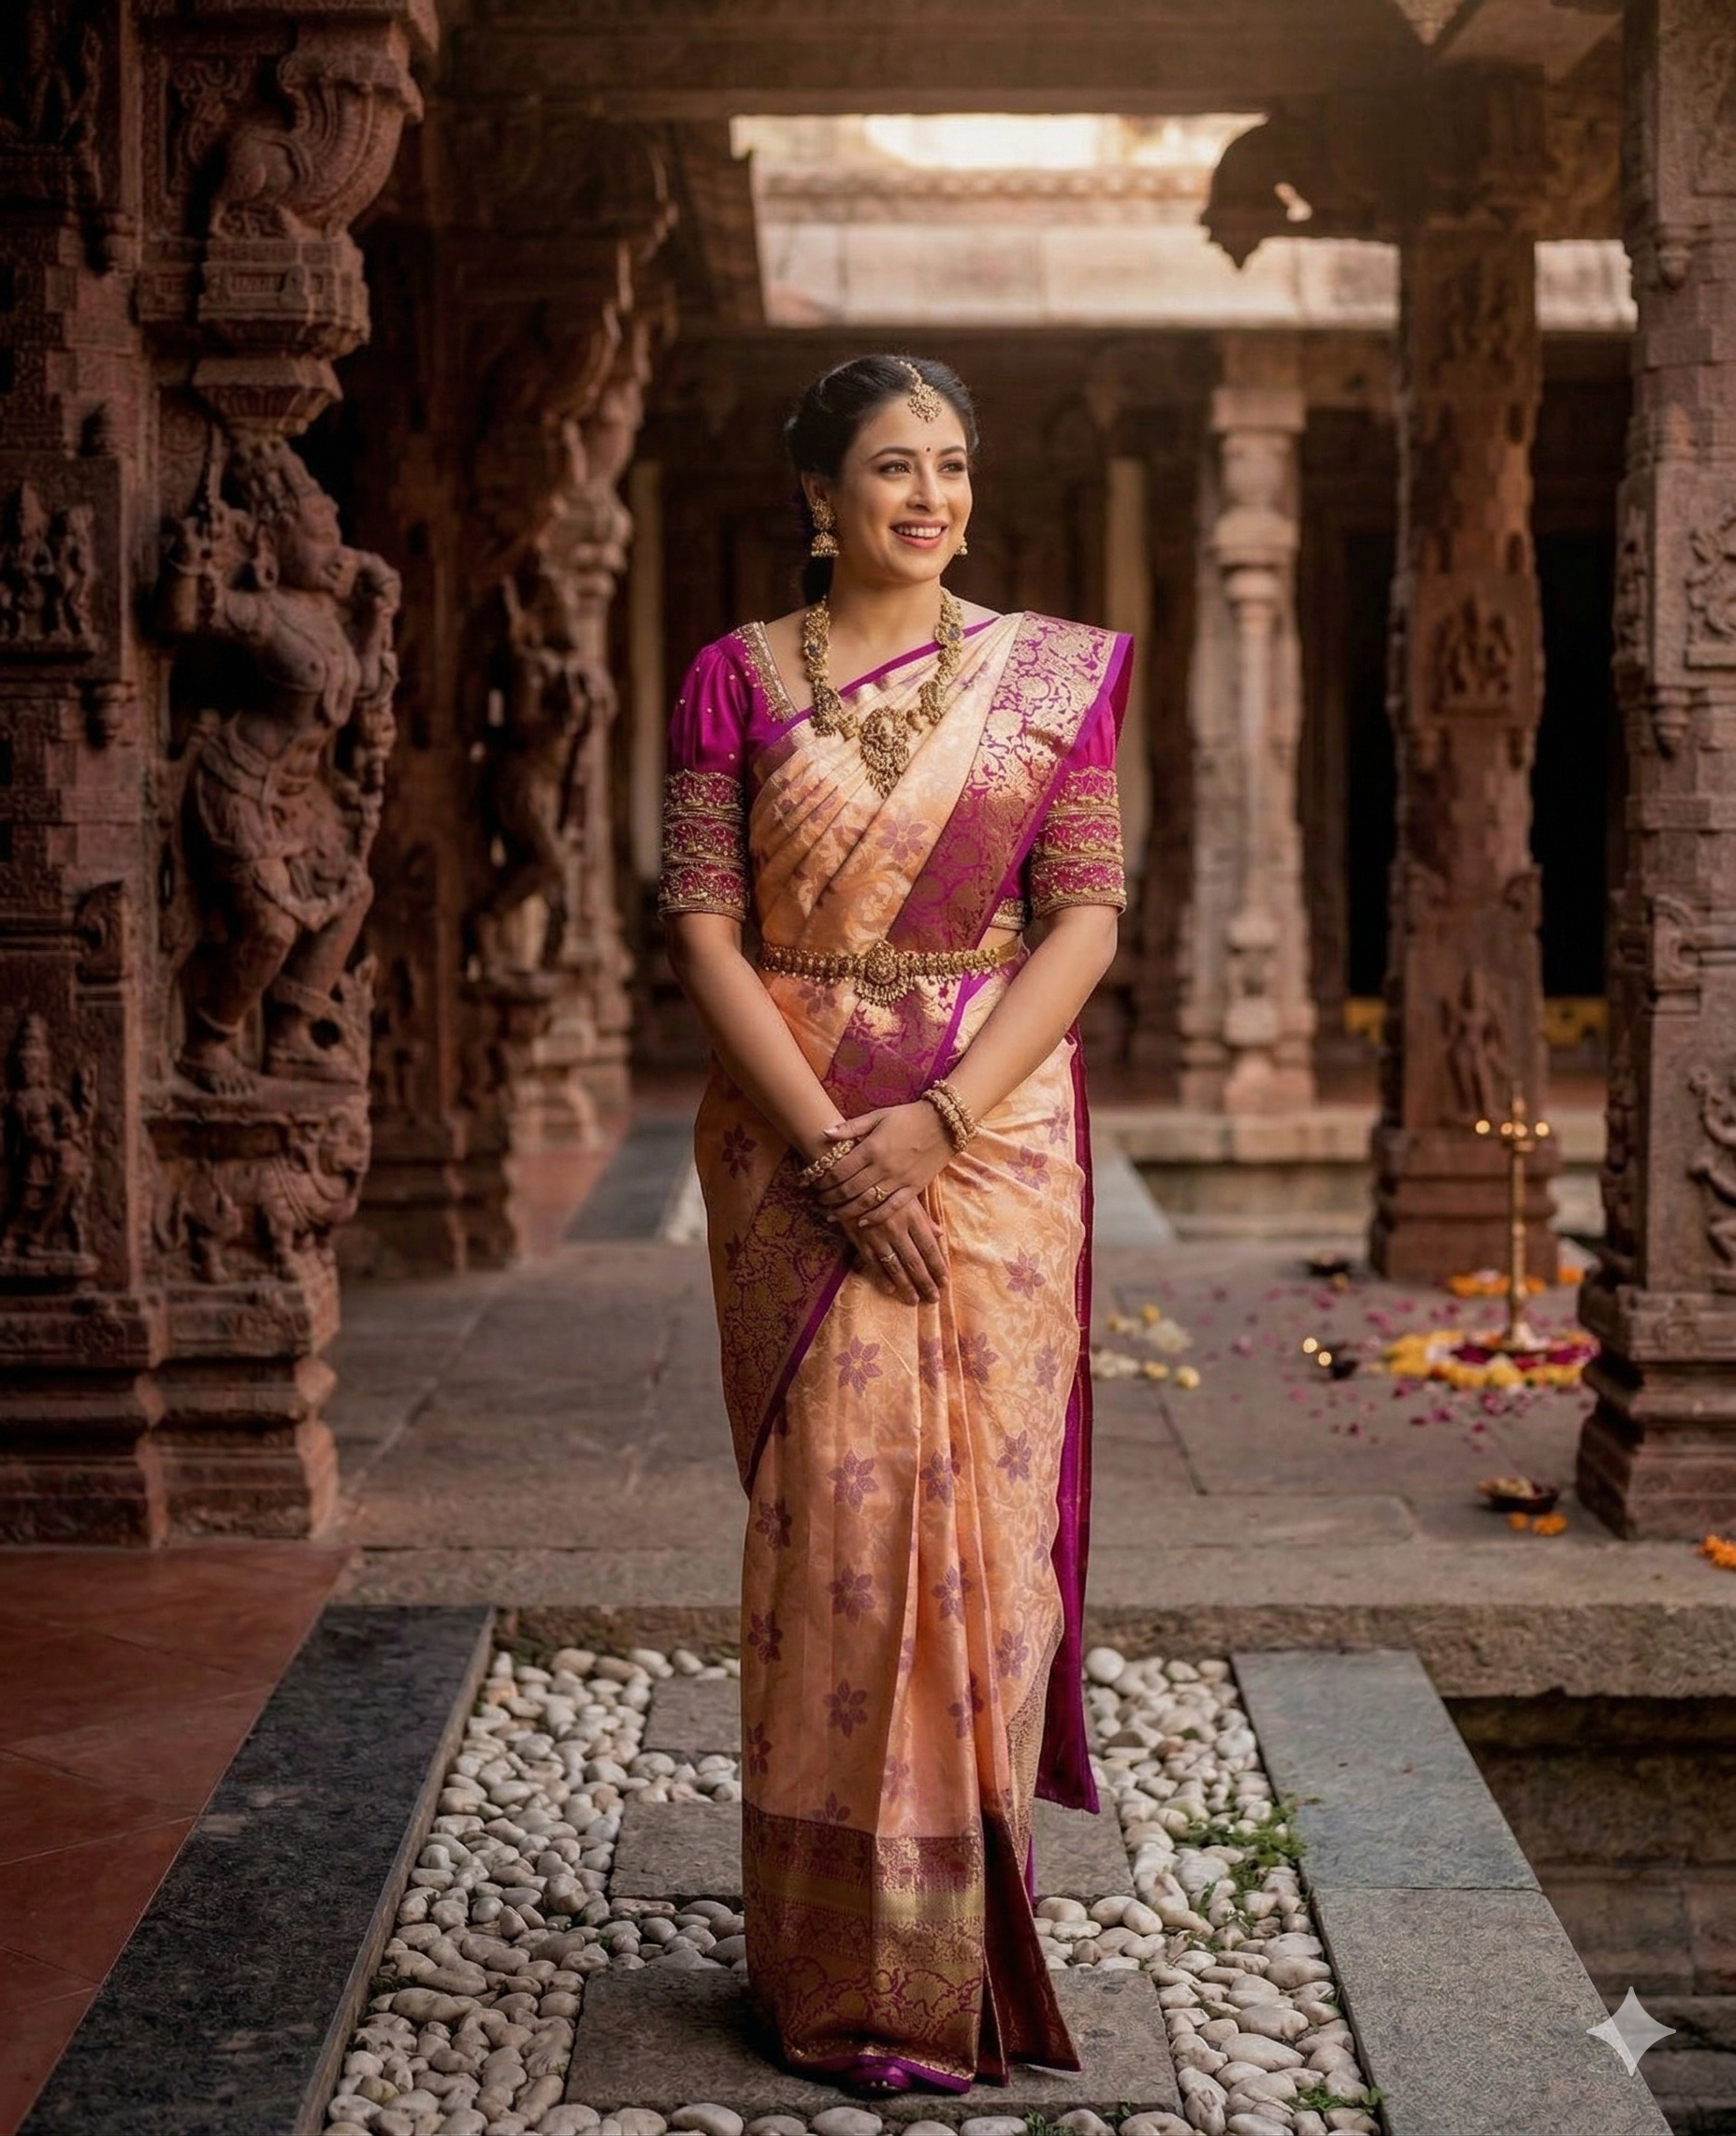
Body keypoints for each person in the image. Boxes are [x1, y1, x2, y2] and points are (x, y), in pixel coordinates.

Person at [659, 354, 1132, 2093]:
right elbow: (706, 928)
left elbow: (1082, 919)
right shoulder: (733, 678)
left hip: (988, 1135)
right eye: (889, 468)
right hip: (792, 1137)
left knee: (982, 1546)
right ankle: (829, 1958)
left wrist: (930, 1124)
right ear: (817, 495)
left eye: (949, 466)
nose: (927, 496)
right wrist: (832, 1146)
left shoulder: (1047, 682)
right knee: (840, 1540)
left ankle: (958, 1942)